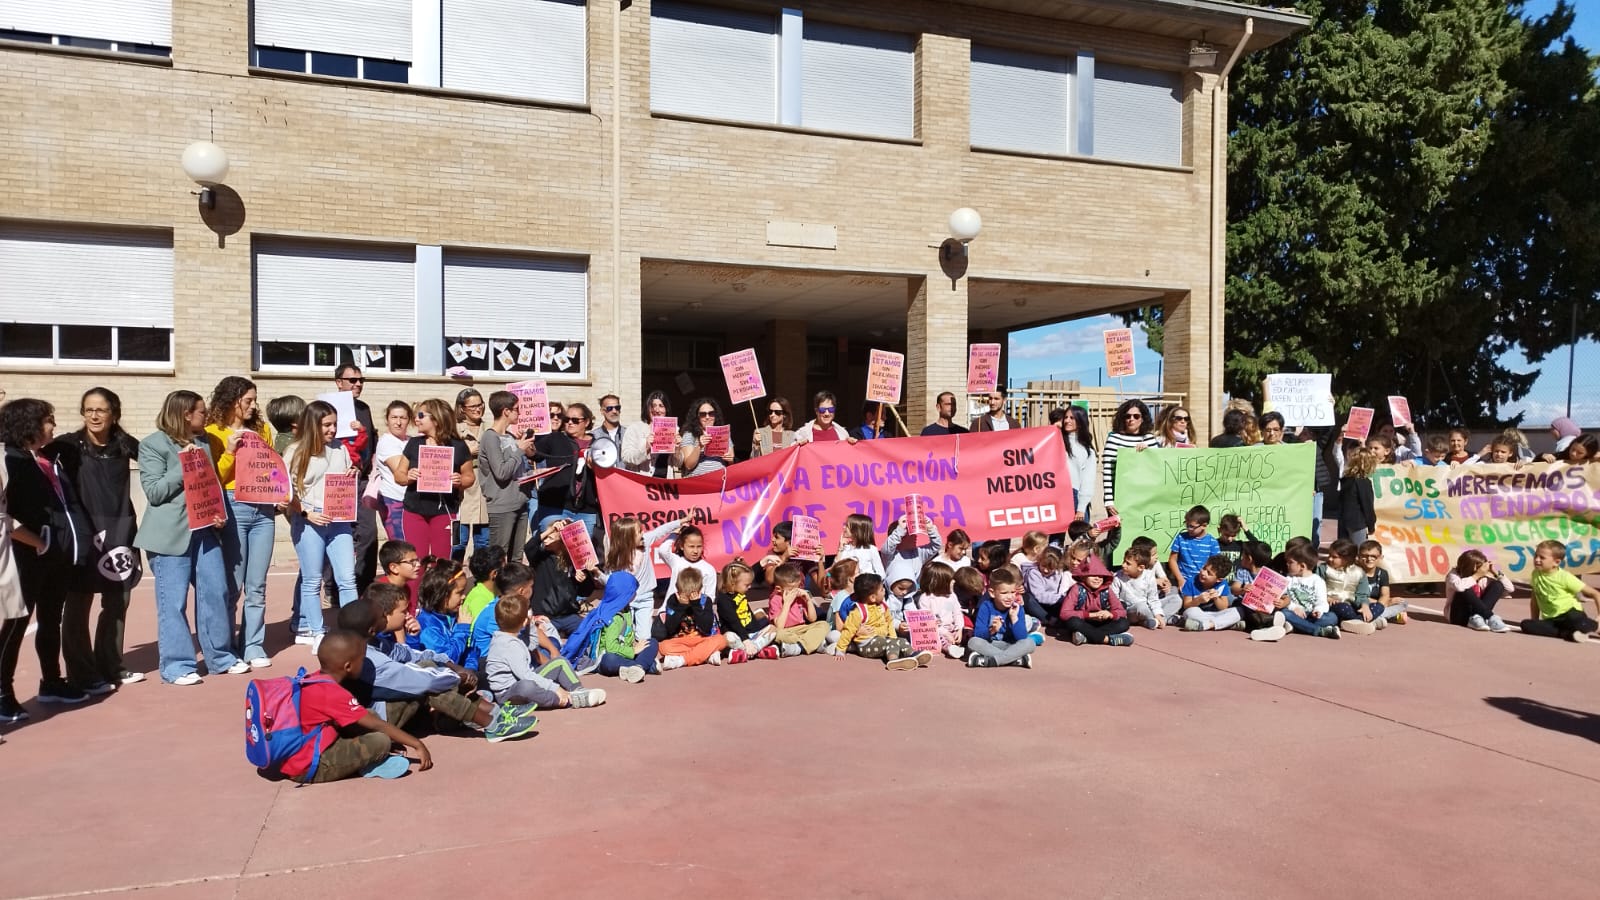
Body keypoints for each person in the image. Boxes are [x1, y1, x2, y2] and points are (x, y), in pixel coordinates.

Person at [134, 391, 244, 686]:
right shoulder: (152, 445)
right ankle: (177, 665)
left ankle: (220, 657)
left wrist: (219, 513)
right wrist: (182, 465)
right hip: (169, 536)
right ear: (185, 414)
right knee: (173, 602)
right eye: (201, 412)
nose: (205, 416)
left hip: (205, 530)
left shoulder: (204, 441)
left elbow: (210, 485)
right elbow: (155, 492)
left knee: (216, 592)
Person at [335, 590, 538, 741]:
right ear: (371, 629)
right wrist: (455, 677)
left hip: (387, 705)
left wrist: (449, 664)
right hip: (376, 720)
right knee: (432, 686)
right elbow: (417, 681)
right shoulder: (370, 661)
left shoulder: (376, 643)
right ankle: (493, 725)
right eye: (382, 616)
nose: (404, 615)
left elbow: (412, 655)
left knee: (429, 665)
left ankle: (495, 713)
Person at [0, 398, 95, 710]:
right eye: (47, 420)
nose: (53, 426)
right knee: (14, 625)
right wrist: (38, 542)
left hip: (55, 556)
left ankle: (52, 681)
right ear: (29, 426)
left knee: (51, 620)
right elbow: (7, 517)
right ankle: (3, 694)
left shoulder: (45, 458)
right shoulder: (10, 461)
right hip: (23, 556)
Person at [48, 388, 143, 688]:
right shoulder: (67, 445)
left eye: (100, 410)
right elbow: (31, 458)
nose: (94, 415)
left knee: (118, 601)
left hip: (119, 531)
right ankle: (82, 673)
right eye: (88, 409)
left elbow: (160, 462)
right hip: (83, 535)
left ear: (114, 413)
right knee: (78, 603)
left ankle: (111, 665)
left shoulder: (126, 444)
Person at [270, 631, 435, 784]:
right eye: (362, 660)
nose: (364, 664)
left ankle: (367, 761)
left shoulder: (313, 679)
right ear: (348, 666)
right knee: (380, 741)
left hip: (301, 753)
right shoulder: (333, 693)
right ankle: (366, 765)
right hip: (309, 768)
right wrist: (417, 744)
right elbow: (377, 725)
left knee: (366, 714)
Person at [204, 377, 279, 670]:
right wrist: (230, 451)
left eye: (254, 400)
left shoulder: (262, 430)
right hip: (233, 502)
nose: (252, 405)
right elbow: (213, 479)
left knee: (257, 584)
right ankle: (225, 646)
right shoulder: (212, 433)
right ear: (231, 400)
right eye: (247, 400)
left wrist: (280, 492)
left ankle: (253, 644)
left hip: (264, 507)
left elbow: (272, 469)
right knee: (232, 585)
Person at [284, 401, 357, 642]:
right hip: (309, 520)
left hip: (339, 520)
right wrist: (306, 513)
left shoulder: (340, 449)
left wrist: (353, 473)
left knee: (347, 578)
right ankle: (315, 631)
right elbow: (287, 491)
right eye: (327, 425)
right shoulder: (295, 451)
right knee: (312, 580)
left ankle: (352, 631)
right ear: (313, 425)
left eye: (335, 424)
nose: (333, 429)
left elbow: (347, 477)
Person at [389, 398, 475, 568]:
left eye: (421, 415)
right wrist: (408, 477)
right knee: (415, 563)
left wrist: (459, 481)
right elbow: (399, 475)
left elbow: (469, 477)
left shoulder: (458, 446)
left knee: (441, 563)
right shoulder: (414, 444)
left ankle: (439, 595)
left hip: (444, 511)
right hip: (414, 511)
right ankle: (414, 595)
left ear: (436, 418)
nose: (416, 419)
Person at [485, 591, 606, 709]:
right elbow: (525, 676)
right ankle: (565, 700)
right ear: (523, 620)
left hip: (523, 679)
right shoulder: (508, 645)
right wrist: (555, 688)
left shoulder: (511, 635)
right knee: (527, 686)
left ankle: (578, 690)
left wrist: (530, 625)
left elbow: (532, 645)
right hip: (509, 693)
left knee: (560, 662)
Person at [331, 365, 379, 592]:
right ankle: (332, 587)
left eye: (361, 380)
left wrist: (364, 467)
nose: (358, 384)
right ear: (339, 382)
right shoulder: (326, 408)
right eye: (352, 380)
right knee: (337, 535)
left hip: (361, 480)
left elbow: (369, 443)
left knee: (368, 532)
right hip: (336, 483)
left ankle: (364, 583)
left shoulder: (364, 408)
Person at [560, 571, 658, 681]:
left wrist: (634, 644)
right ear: (624, 594)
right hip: (607, 657)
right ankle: (645, 666)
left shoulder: (626, 610)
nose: (635, 593)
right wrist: (633, 651)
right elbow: (611, 648)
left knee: (652, 642)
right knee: (609, 660)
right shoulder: (613, 616)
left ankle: (637, 667)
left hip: (625, 652)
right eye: (632, 592)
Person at [478, 391, 535, 557]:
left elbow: (517, 469)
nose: (520, 413)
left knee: (516, 557)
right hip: (502, 506)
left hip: (519, 503)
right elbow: (502, 472)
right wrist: (519, 450)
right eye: (517, 409)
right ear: (506, 411)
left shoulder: (509, 436)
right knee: (499, 558)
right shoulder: (490, 438)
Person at [833, 573, 930, 670]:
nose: (884, 591)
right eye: (882, 590)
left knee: (901, 641)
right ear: (872, 597)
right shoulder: (859, 611)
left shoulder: (883, 606)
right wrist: (840, 649)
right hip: (866, 644)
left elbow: (889, 623)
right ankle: (893, 661)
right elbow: (848, 630)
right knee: (891, 643)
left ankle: (913, 654)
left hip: (881, 639)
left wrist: (894, 637)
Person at [531, 402, 601, 534]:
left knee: (581, 553)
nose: (569, 423)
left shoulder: (599, 444)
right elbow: (535, 454)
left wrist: (596, 468)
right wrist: (527, 443)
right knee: (553, 547)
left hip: (586, 510)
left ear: (586, 422)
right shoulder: (555, 438)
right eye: (566, 419)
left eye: (575, 420)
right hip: (555, 507)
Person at [525, 518, 594, 637]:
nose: (545, 541)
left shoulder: (575, 561)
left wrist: (584, 579)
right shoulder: (541, 558)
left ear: (563, 543)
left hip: (568, 615)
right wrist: (551, 530)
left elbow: (586, 591)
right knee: (549, 642)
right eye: (546, 536)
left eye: (551, 538)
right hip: (545, 615)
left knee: (587, 634)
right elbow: (529, 547)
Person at [1521, 540, 1600, 642]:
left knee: (1577, 622)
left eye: (1542, 558)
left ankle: (1594, 626)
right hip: (1552, 619)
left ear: (1556, 562)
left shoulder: (1564, 577)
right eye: (1536, 555)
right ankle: (1570, 634)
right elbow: (1534, 600)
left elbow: (1595, 594)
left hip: (1570, 614)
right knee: (1526, 625)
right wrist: (1535, 620)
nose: (1537, 559)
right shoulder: (1535, 574)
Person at [1100, 399, 1160, 534]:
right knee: (1118, 535)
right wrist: (1109, 500)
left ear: (1143, 419)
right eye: (1127, 416)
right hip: (1120, 497)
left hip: (1145, 498)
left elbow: (1158, 466)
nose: (1131, 419)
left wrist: (1148, 452)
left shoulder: (1149, 439)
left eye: (1136, 416)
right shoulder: (1114, 439)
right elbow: (1108, 471)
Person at [651, 568, 727, 670]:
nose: (689, 599)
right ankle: (705, 655)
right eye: (685, 595)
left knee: (721, 640)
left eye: (693, 595)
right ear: (678, 590)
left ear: (699, 590)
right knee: (663, 647)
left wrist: (696, 605)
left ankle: (682, 660)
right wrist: (681, 607)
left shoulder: (706, 601)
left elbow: (706, 627)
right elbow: (670, 628)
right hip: (682, 641)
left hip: (702, 638)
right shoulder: (673, 600)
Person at [966, 566, 1041, 667]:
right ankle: (1015, 660)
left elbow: (1021, 638)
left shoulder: (1017, 608)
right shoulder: (986, 607)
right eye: (1004, 593)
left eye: (1013, 592)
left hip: (1010, 645)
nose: (1010, 597)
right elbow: (978, 634)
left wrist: (1014, 619)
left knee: (1030, 643)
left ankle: (991, 661)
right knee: (973, 642)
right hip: (992, 644)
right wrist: (992, 630)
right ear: (992, 593)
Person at [451, 389, 490, 561]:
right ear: (462, 409)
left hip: (485, 488)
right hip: (461, 491)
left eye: (480, 404)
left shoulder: (490, 429)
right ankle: (451, 581)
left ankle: (481, 583)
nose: (477, 409)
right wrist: (466, 452)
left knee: (484, 542)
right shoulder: (453, 431)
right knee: (458, 542)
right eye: (472, 406)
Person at [1059, 556, 1133, 646]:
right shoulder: (1076, 589)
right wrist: (1090, 615)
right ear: (1083, 577)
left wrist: (1110, 614)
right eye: (1093, 575)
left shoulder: (1107, 590)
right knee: (1073, 622)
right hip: (1083, 622)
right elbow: (1064, 613)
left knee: (1123, 623)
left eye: (1101, 576)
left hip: (1101, 623)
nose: (1097, 578)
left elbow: (1121, 611)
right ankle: (1107, 639)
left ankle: (1086, 637)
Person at [715, 561, 777, 661]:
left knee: (772, 629)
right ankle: (756, 650)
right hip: (737, 635)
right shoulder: (723, 600)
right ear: (733, 583)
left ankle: (747, 652)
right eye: (747, 585)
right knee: (728, 637)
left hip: (752, 634)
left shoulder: (740, 592)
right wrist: (746, 640)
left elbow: (749, 615)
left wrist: (757, 631)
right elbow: (734, 622)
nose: (750, 587)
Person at [1273, 544, 1338, 638]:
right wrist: (1294, 608)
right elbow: (1283, 597)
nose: (1287, 564)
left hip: (1311, 616)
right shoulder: (1288, 579)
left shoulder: (1318, 581)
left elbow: (1322, 603)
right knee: (1284, 613)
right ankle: (1319, 630)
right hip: (1294, 613)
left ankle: (1297, 626)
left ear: (1302, 566)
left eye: (1290, 562)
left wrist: (1318, 611)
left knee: (1332, 617)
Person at [768, 563, 830, 656]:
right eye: (791, 589)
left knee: (824, 625)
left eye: (797, 587)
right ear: (779, 589)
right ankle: (812, 644)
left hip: (802, 628)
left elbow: (812, 619)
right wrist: (787, 603)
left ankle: (798, 647)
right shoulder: (775, 600)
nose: (795, 591)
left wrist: (808, 600)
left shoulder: (799, 597)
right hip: (787, 631)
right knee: (777, 635)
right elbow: (779, 626)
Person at [1445, 550, 1513, 633]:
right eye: (1480, 567)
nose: (1483, 570)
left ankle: (1477, 616)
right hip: (1458, 616)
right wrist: (1477, 575)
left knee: (1497, 584)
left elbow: (1509, 589)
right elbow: (1459, 587)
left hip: (1478, 616)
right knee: (1465, 588)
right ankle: (1490, 616)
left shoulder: (1483, 578)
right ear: (1472, 567)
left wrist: (1496, 573)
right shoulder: (1454, 574)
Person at [372, 400, 412, 541]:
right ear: (387, 420)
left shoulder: (411, 441)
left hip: (411, 501)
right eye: (394, 417)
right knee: (400, 547)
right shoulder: (387, 442)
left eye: (403, 418)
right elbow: (401, 470)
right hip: (393, 500)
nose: (398, 422)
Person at [1319, 539, 1376, 634]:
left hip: (1352, 606)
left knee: (1379, 606)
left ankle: (1354, 621)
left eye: (1334, 557)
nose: (1330, 559)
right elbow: (1317, 589)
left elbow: (1362, 594)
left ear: (1347, 559)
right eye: (1329, 555)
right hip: (1333, 605)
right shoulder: (1323, 569)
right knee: (1341, 608)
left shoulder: (1359, 572)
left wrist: (1365, 606)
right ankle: (1364, 621)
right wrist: (1327, 598)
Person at [1049, 406, 1097, 522]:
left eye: (1072, 418)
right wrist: (1052, 430)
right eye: (1066, 417)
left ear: (1080, 422)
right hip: (1056, 493)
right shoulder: (1055, 441)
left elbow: (1087, 481)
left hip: (1075, 495)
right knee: (1056, 538)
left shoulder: (1087, 451)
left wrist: (1081, 508)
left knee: (1082, 537)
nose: (1067, 421)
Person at [912, 562, 965, 659]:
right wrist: (945, 633)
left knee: (968, 633)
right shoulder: (926, 599)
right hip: (938, 630)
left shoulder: (952, 596)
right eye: (950, 580)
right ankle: (949, 648)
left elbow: (957, 613)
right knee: (937, 638)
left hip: (952, 628)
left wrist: (959, 629)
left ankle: (966, 646)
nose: (953, 582)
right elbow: (929, 622)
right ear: (938, 583)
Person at [882, 514, 941, 594]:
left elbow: (936, 546)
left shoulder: (919, 553)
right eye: (911, 534)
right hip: (893, 596)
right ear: (901, 537)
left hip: (913, 595)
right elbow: (887, 548)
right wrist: (900, 530)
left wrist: (930, 528)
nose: (916, 536)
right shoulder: (889, 555)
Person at [677, 397, 736, 477]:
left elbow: (731, 465)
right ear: (697, 417)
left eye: (711, 413)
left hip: (721, 478)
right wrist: (699, 446)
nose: (707, 417)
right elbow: (688, 465)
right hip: (699, 480)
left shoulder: (723, 432)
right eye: (703, 414)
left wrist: (730, 460)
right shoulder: (690, 434)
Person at [1179, 555, 1239, 631]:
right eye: (1204, 568)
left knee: (1238, 610)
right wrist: (1198, 600)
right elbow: (1186, 606)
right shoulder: (1191, 582)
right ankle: (1224, 624)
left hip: (1214, 613)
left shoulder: (1222, 584)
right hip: (1197, 613)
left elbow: (1224, 607)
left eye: (1209, 573)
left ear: (1219, 580)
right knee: (1189, 612)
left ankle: (1206, 624)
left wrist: (1216, 598)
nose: (1203, 573)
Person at [1168, 505, 1221, 590]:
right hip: (1183, 581)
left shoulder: (1212, 543)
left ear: (1204, 525)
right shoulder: (1181, 538)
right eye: (1187, 524)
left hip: (1204, 584)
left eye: (1192, 526)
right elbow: (1172, 560)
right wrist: (1180, 579)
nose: (1188, 528)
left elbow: (1216, 566)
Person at [1357, 540, 1407, 624]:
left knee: (1403, 603)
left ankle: (1373, 617)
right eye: (1365, 556)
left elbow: (1385, 595)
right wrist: (1386, 603)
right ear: (1358, 557)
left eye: (1374, 556)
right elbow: (1356, 596)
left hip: (1377, 605)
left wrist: (1381, 605)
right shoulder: (1355, 572)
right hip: (1360, 604)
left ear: (1380, 557)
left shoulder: (1382, 573)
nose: (1369, 559)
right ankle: (1381, 617)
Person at [1338, 448, 1378, 545]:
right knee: (1359, 551)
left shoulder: (1345, 480)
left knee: (1346, 551)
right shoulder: (1363, 482)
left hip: (1344, 521)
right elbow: (1367, 505)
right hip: (1358, 523)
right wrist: (1371, 525)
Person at [635, 391, 674, 477]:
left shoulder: (674, 429)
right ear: (647, 408)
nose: (656, 410)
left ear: (666, 409)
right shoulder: (636, 429)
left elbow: (678, 463)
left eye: (661, 406)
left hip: (664, 484)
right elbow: (627, 458)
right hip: (643, 482)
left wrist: (678, 449)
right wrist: (646, 447)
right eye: (653, 406)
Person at [793, 392, 857, 444]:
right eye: (822, 410)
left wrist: (850, 444)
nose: (827, 413)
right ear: (816, 411)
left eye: (831, 409)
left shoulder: (843, 433)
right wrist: (798, 445)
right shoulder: (803, 433)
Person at [835, 513, 886, 578]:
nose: (844, 527)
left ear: (856, 530)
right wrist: (840, 548)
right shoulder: (845, 548)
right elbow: (835, 570)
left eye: (847, 526)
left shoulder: (871, 549)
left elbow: (881, 574)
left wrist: (869, 583)